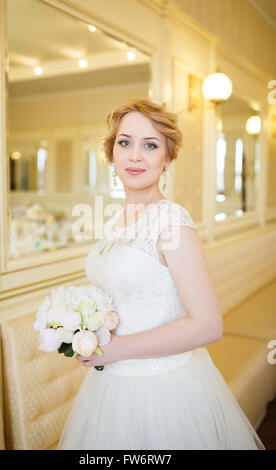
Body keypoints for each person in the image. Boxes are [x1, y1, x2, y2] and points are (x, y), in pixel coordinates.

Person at [57, 99, 265, 450]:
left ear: (167, 158)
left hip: (163, 389)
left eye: (150, 145)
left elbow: (208, 325)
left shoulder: (172, 222)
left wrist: (116, 348)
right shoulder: (115, 222)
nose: (135, 156)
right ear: (111, 155)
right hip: (112, 384)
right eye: (124, 143)